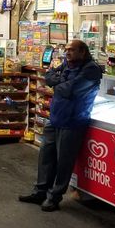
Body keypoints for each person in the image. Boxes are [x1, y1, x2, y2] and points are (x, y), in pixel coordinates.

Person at [19, 40, 103, 211]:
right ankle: (40, 192)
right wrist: (58, 82)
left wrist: (56, 84)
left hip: (73, 122)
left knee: (63, 162)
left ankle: (54, 197)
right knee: (45, 158)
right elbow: (48, 76)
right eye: (66, 50)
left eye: (71, 50)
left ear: (82, 52)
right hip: (55, 118)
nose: (67, 53)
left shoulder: (91, 70)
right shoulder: (67, 64)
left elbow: (68, 90)